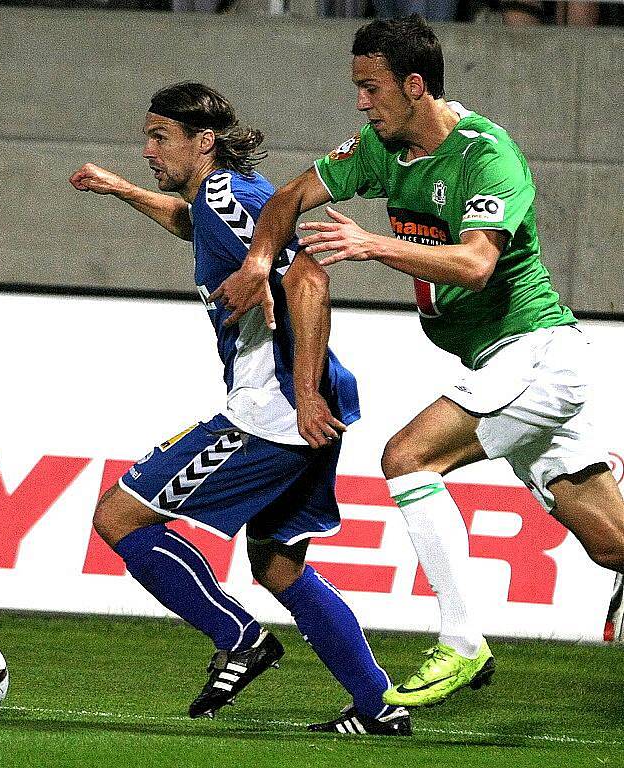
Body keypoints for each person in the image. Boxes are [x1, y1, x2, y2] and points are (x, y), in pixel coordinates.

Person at [209, 15, 624, 708]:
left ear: (413, 85)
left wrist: (375, 246)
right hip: (506, 364)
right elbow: (287, 197)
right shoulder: (379, 149)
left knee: (408, 459)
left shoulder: (485, 155)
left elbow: (475, 263)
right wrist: (258, 262)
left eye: (370, 89)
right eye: (357, 89)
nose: (361, 104)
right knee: (611, 545)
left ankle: (462, 644)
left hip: (537, 353)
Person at [69, 82, 411, 735]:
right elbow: (188, 221)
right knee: (279, 565)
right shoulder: (213, 202)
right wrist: (124, 190)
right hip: (311, 402)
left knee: (118, 515)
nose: (147, 149)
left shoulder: (228, 200)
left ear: (203, 142)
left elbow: (305, 276)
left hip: (278, 408)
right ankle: (379, 706)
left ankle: (240, 637)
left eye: (159, 137)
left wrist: (301, 387)